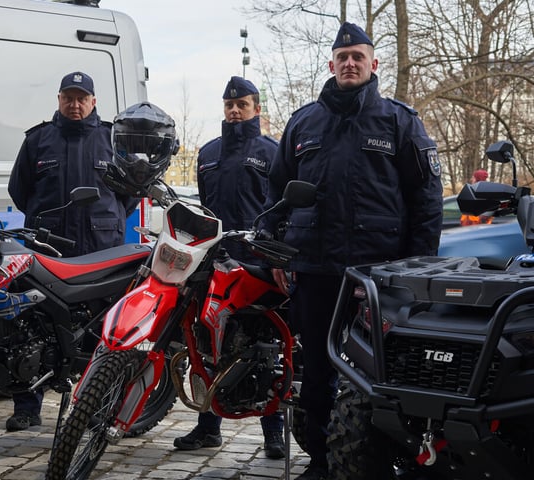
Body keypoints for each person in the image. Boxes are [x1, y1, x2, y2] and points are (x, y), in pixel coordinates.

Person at [261, 22, 442, 480]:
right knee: (318, 369)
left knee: (384, 369)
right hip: (316, 269)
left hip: (378, 275)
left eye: (358, 56)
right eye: (342, 58)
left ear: (373, 63)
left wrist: (416, 269)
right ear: (331, 65)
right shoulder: (303, 123)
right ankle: (321, 463)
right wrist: (278, 254)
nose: (350, 63)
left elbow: (426, 200)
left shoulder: (400, 121)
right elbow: (277, 195)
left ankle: (387, 459)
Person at [6, 71, 138, 431]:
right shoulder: (38, 141)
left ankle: (95, 405)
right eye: (69, 97)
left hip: (101, 251)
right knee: (31, 326)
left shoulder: (113, 138)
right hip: (48, 248)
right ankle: (27, 408)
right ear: (59, 99)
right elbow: (20, 191)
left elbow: (129, 193)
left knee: (100, 330)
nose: (75, 104)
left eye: (82, 98)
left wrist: (105, 221)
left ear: (94, 102)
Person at [172, 76, 285, 460]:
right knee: (207, 349)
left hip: (256, 266)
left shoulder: (273, 152)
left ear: (256, 108)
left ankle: (274, 432)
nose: (235, 111)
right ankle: (207, 427)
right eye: (229, 105)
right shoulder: (208, 153)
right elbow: (206, 207)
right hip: (215, 263)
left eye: (243, 105)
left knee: (263, 348)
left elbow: (282, 208)